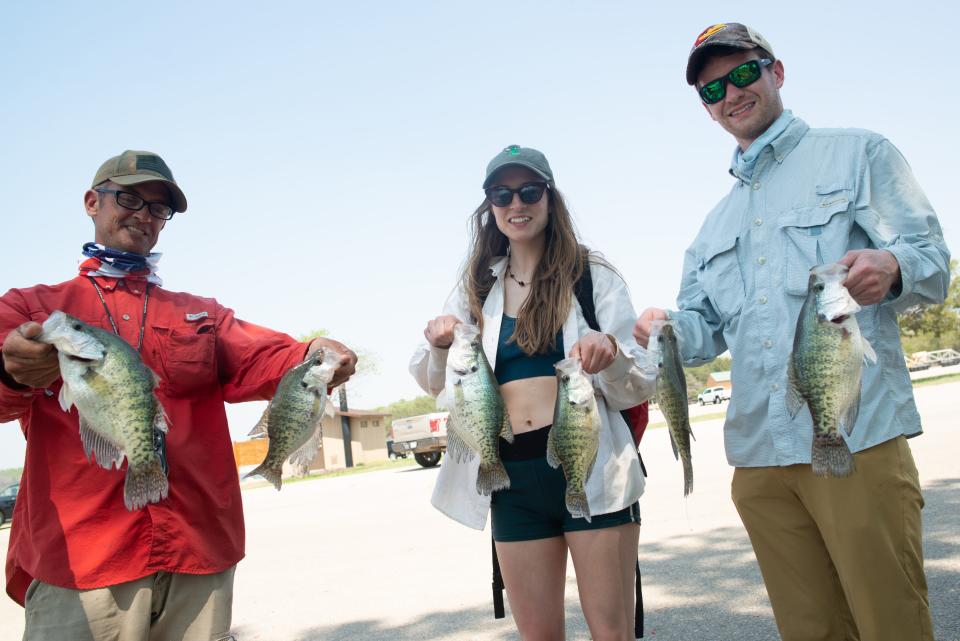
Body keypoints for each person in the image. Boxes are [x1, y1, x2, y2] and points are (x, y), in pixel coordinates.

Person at [634, 24, 950, 641]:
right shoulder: (711, 226)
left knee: (892, 623)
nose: (731, 93)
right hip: (758, 461)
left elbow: (931, 259)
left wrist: (894, 266)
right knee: (810, 631)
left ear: (776, 72)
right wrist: (663, 328)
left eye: (744, 73)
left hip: (856, 439)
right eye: (712, 88)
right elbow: (701, 334)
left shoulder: (859, 153)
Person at [0, 150, 357, 640]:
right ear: (91, 202)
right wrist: (14, 373)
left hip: (197, 551)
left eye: (158, 208)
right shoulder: (33, 309)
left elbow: (269, 358)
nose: (143, 215)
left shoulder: (203, 314)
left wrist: (315, 354)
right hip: (83, 560)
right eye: (129, 198)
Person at [411, 145, 655, 641]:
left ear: (550, 197)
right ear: (489, 205)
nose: (516, 203)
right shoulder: (476, 286)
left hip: (590, 466)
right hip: (510, 479)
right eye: (502, 193)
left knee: (612, 633)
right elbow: (436, 383)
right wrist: (437, 344)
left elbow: (639, 382)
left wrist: (611, 353)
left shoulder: (592, 275)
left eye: (529, 190)